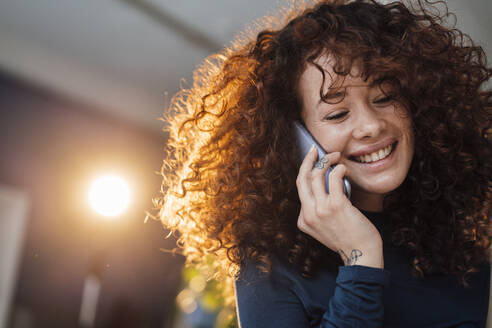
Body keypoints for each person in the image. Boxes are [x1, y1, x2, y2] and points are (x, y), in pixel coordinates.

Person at [158, 0, 491, 326]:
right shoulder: (270, 265)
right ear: (294, 138)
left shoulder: (462, 250)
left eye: (385, 98)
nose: (371, 125)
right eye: (337, 113)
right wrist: (361, 258)